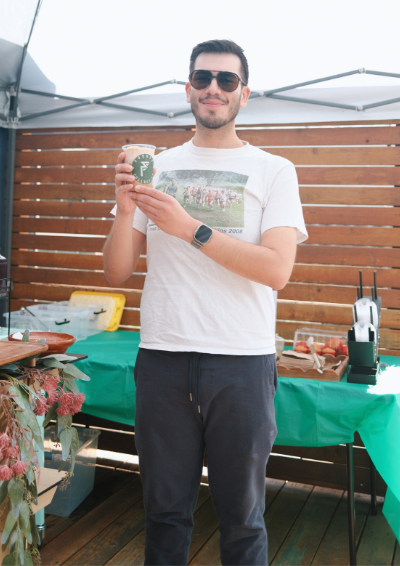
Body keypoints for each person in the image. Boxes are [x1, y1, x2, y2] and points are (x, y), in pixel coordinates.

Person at [102, 39, 307, 566]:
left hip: (242, 363)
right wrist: (124, 210)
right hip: (163, 358)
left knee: (242, 519)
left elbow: (277, 270)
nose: (213, 88)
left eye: (226, 80)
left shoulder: (274, 169)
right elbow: (116, 272)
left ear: (244, 94)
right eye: (202, 78)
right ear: (188, 89)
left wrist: (190, 228)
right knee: (163, 514)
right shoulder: (155, 167)